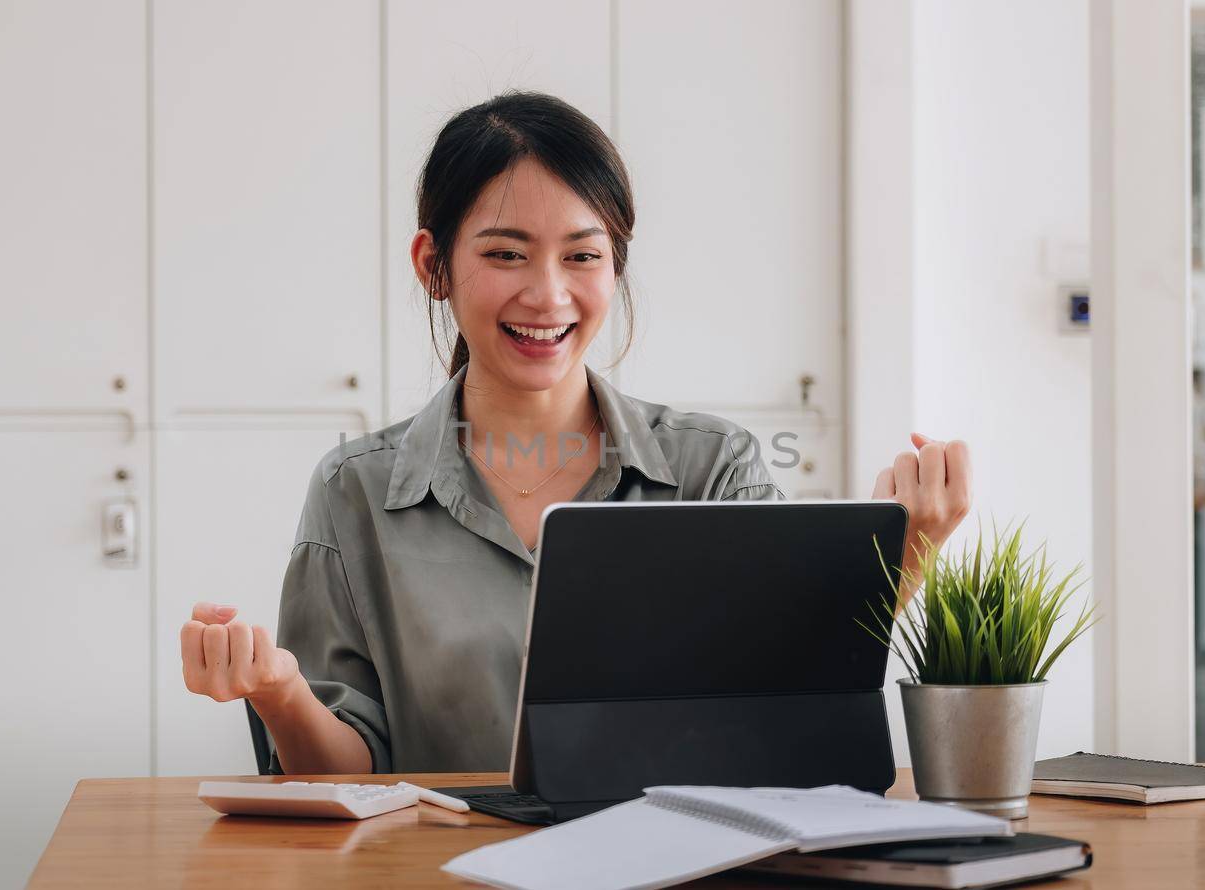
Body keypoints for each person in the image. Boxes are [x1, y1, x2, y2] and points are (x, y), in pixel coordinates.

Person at [180, 91, 971, 775]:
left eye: (583, 254)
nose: (548, 293)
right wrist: (279, 690)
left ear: (615, 267)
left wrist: (907, 553)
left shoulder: (711, 467)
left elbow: (783, 690)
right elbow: (349, 773)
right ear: (434, 266)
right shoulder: (352, 490)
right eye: (505, 253)